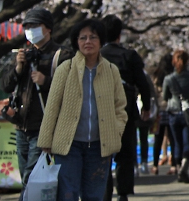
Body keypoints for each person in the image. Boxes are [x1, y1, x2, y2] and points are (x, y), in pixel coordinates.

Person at [38, 18, 128, 201]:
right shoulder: (65, 69)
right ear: (76, 42)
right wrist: (46, 139)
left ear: (101, 41)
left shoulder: (111, 71)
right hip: (68, 146)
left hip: (99, 145)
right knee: (67, 194)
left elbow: (121, 106)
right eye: (83, 38)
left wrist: (116, 131)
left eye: (93, 37)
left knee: (94, 195)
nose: (88, 42)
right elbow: (52, 106)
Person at [0, 7, 73, 200]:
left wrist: (46, 81)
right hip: (21, 126)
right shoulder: (22, 54)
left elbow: (72, 90)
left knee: (32, 177)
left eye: (35, 25)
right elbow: (6, 85)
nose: (30, 30)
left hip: (44, 128)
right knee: (29, 177)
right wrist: (18, 67)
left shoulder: (61, 55)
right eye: (27, 26)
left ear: (47, 28)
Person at [100, 15, 152, 201]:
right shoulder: (130, 56)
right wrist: (146, 107)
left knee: (103, 152)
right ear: (119, 35)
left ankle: (104, 193)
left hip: (101, 109)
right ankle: (123, 192)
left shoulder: (97, 56)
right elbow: (143, 84)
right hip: (126, 108)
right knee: (125, 151)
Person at [162, 49, 189, 184]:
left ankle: (179, 167)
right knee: (188, 142)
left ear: (174, 62)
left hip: (173, 112)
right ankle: (184, 166)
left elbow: (165, 96)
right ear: (187, 61)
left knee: (176, 143)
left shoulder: (169, 79)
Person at [150, 53, 174, 175]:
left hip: (159, 110)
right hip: (171, 109)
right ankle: (174, 165)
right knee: (173, 138)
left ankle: (154, 166)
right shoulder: (173, 75)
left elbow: (153, 93)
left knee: (158, 139)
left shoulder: (157, 76)